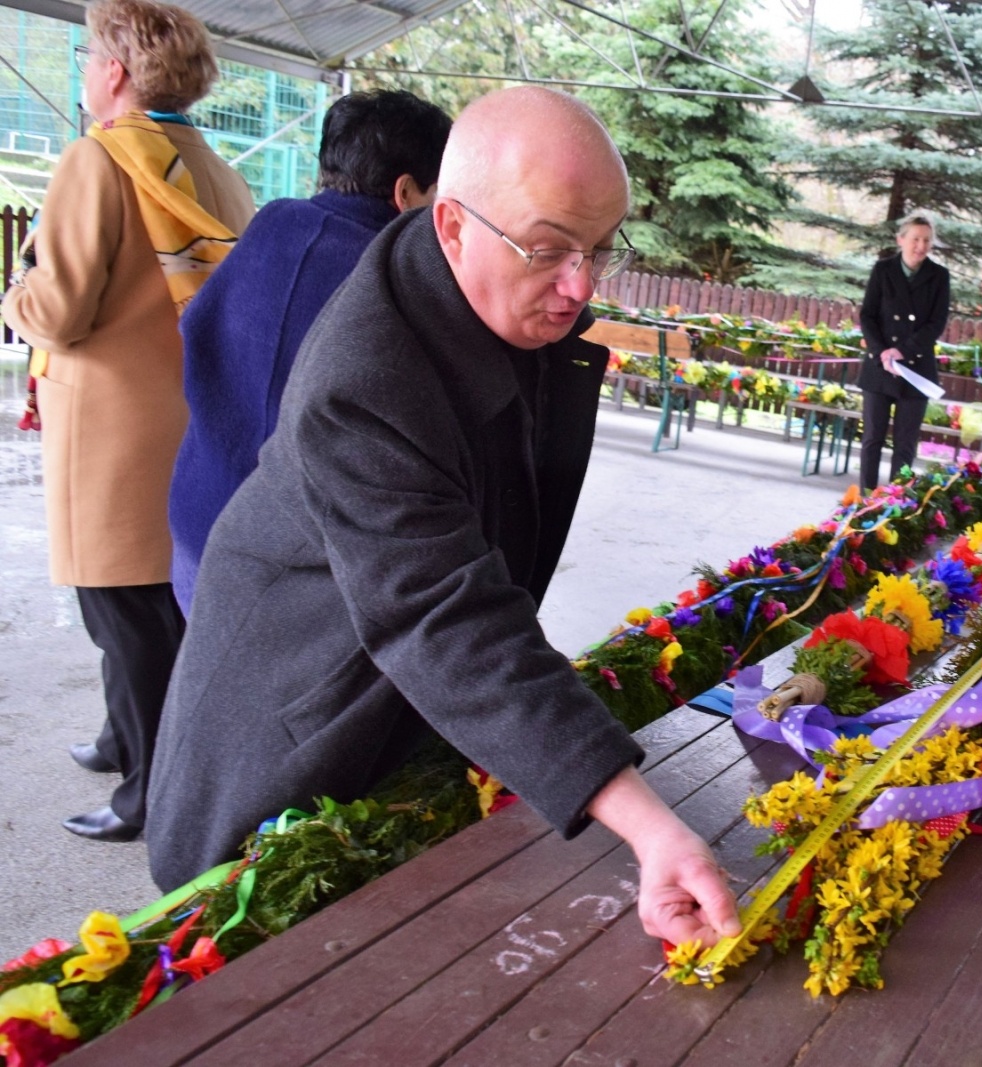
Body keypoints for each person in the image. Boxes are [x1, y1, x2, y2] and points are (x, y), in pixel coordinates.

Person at [146, 87, 739, 948]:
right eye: (550, 249)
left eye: (600, 250)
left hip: (400, 705)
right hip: (293, 726)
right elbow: (445, 616)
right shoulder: (366, 378)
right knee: (258, 964)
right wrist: (650, 825)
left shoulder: (494, 295)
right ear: (452, 225)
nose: (581, 285)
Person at [1, 0, 254, 842]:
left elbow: (60, 307)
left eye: (87, 60)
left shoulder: (96, 161)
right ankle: (122, 739)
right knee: (158, 602)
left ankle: (149, 791)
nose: (84, 76)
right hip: (186, 422)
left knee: (124, 613)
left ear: (113, 72)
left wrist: (16, 289)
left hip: (109, 431)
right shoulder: (212, 167)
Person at [168, 89, 453, 614]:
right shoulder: (389, 277)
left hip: (196, 521)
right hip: (285, 567)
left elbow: (196, 331)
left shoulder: (271, 224)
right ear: (406, 191)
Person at [856, 214, 950, 490]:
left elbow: (936, 323)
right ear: (901, 240)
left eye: (927, 240)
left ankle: (896, 502)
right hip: (879, 366)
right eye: (915, 239)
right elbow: (868, 315)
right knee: (872, 437)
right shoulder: (883, 270)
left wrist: (903, 351)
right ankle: (865, 501)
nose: (920, 246)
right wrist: (882, 351)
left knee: (905, 443)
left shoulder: (939, 276)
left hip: (916, 368)